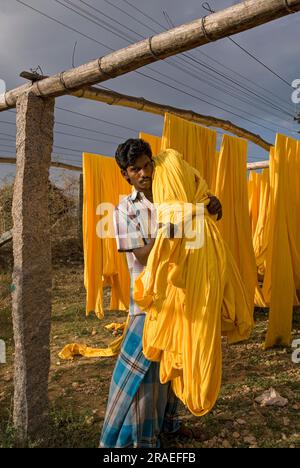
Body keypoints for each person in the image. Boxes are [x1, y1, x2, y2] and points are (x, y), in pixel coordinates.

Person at [100, 139, 222, 448]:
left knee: (172, 368)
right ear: (125, 175)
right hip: (148, 305)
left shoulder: (177, 196)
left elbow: (198, 234)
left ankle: (169, 425)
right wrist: (177, 223)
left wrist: (208, 207)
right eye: (134, 169)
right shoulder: (124, 210)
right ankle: (133, 442)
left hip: (181, 299)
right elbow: (142, 255)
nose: (143, 173)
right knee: (144, 380)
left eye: (146, 164)